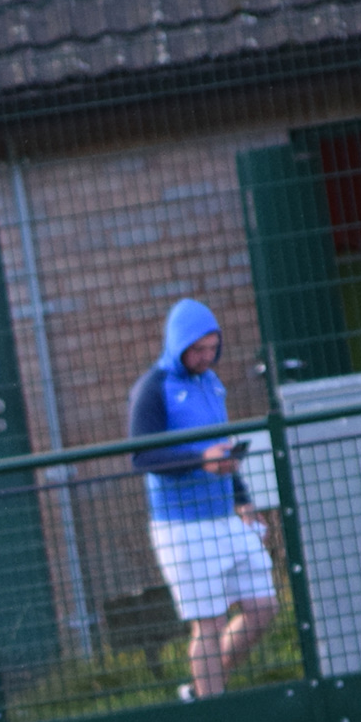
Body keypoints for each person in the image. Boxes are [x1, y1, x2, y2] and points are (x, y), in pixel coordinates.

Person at [127, 299, 276, 699]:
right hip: (182, 526)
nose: (206, 357)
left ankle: (200, 689)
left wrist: (242, 498)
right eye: (197, 350)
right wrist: (199, 461)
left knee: (263, 606)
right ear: (178, 345)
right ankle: (214, 708)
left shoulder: (211, 382)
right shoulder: (152, 388)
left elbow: (220, 446)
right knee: (209, 623)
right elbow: (141, 457)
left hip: (225, 517)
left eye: (212, 348)